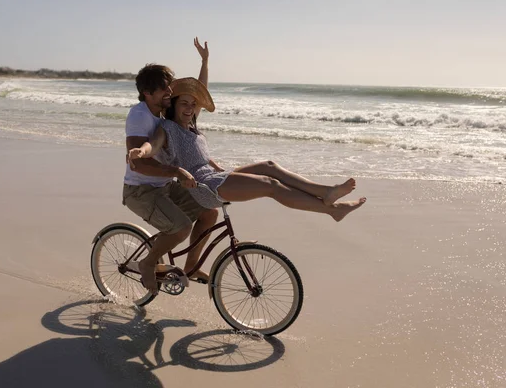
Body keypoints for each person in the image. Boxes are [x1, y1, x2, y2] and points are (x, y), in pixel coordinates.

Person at [128, 77, 367, 222]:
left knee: (269, 166)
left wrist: (205, 62)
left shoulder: (191, 125)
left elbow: (200, 90)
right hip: (203, 186)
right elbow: (153, 145)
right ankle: (332, 210)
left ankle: (326, 191)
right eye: (184, 103)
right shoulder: (167, 127)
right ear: (175, 105)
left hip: (215, 175)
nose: (190, 108)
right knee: (269, 185)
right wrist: (141, 151)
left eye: (193, 104)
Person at [123, 38, 216, 296]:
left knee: (209, 209)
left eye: (169, 88)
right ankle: (148, 262)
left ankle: (193, 267)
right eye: (164, 90)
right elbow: (140, 163)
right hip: (140, 191)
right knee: (182, 228)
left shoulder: (165, 113)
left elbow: (196, 96)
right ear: (147, 94)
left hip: (164, 186)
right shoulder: (139, 116)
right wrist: (173, 170)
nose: (169, 94)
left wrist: (205, 62)